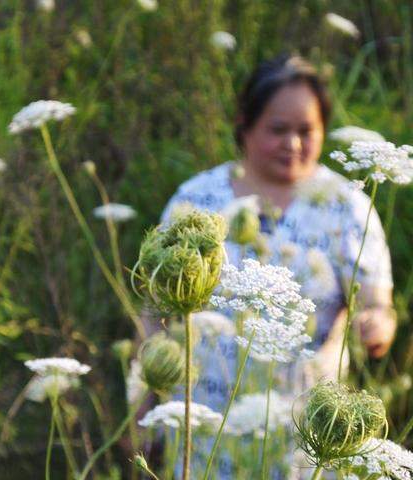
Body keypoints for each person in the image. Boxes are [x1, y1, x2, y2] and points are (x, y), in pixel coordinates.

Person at [156, 54, 397, 478]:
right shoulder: (197, 200)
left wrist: (377, 325)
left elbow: (378, 303)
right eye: (278, 130)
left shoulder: (348, 207)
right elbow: (156, 307)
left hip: (304, 436)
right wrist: (146, 398)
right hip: (204, 425)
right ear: (244, 124)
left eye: (307, 131)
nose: (293, 144)